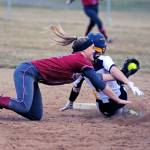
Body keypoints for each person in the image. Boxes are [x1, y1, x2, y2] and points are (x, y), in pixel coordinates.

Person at [0, 26, 130, 121]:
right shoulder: (81, 60)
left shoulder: (83, 65)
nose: (95, 52)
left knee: (35, 115)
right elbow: (99, 83)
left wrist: (122, 75)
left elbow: (98, 77)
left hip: (33, 77)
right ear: (83, 50)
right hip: (26, 71)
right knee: (23, 105)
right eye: (92, 48)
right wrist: (117, 99)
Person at [60, 33, 144, 117]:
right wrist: (128, 81)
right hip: (122, 97)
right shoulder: (104, 59)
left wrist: (71, 102)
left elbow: (76, 88)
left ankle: (122, 78)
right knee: (114, 80)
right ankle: (123, 77)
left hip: (105, 109)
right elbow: (113, 70)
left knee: (100, 84)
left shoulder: (80, 66)